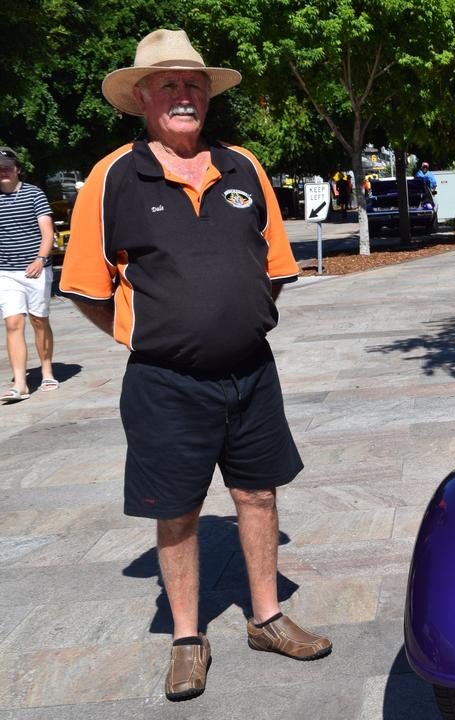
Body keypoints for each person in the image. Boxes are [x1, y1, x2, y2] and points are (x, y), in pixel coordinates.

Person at [60, 29, 331, 702]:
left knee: (259, 493)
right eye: (169, 85)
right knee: (177, 511)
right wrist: (151, 332)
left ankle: (266, 617)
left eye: (193, 85)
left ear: (206, 97)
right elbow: (88, 290)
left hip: (252, 373)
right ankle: (187, 637)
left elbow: (272, 268)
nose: (183, 96)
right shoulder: (111, 177)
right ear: (142, 98)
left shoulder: (243, 167)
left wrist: (235, 318)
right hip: (164, 383)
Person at [0, 146, 56, 403]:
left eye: (7, 166)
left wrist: (40, 259)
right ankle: (20, 383)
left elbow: (47, 233)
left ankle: (46, 371)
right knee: (12, 323)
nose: (3, 171)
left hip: (35, 269)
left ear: (17, 169)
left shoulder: (34, 194)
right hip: (6, 272)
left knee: (39, 320)